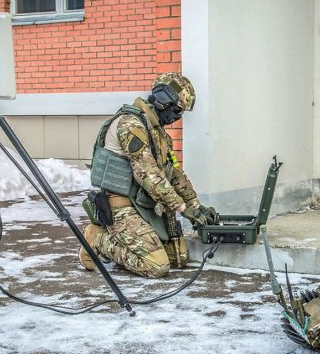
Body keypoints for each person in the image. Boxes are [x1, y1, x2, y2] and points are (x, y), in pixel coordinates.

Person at [79, 73, 219, 278]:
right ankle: (98, 238)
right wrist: (182, 208)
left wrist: (196, 206)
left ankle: (123, 241)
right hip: (120, 205)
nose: (177, 117)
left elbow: (174, 174)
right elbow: (148, 175)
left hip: (143, 203)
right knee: (156, 266)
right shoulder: (131, 125)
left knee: (178, 258)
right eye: (177, 110)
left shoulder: (157, 133)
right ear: (163, 100)